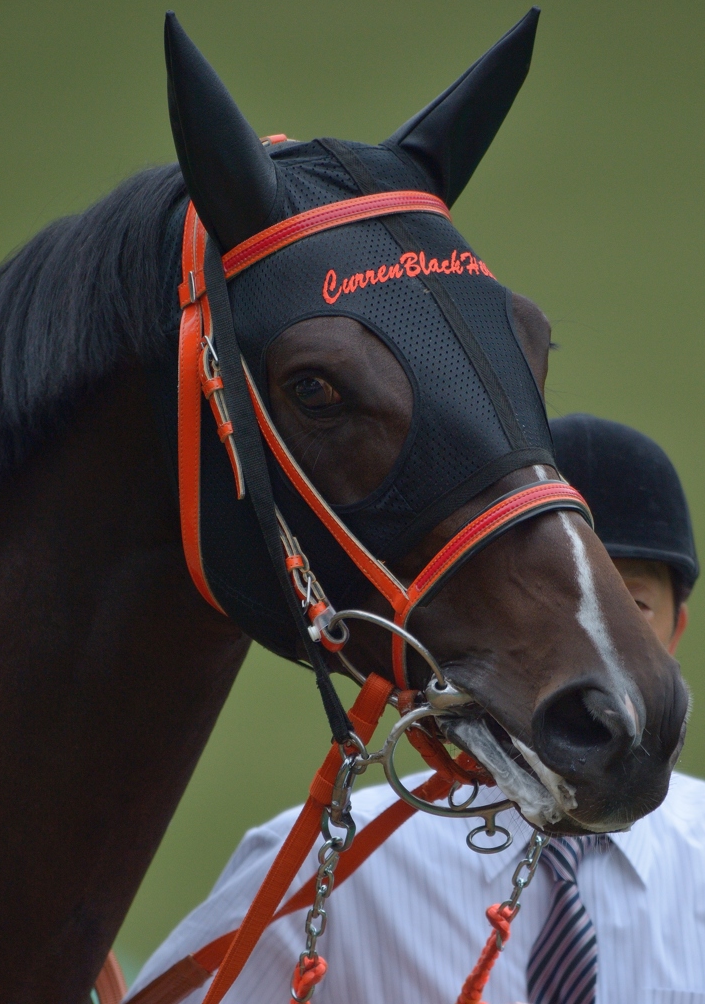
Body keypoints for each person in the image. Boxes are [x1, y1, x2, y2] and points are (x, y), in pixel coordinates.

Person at [128, 415, 705, 1004]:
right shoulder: (325, 867)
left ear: (676, 629)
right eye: (544, 605)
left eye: (632, 607)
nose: (594, 653)